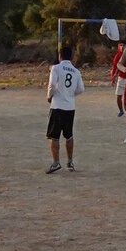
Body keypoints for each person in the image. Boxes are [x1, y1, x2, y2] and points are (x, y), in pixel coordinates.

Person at [45, 45, 84, 173]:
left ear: (60, 56)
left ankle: (56, 162)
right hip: (70, 107)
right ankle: (70, 161)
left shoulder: (56, 68)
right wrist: (70, 94)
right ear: (72, 57)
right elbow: (81, 89)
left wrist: (49, 97)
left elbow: (51, 85)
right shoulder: (76, 71)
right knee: (69, 135)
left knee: (54, 136)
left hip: (57, 106)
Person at [111, 38, 126, 118]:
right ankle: (121, 111)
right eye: (120, 45)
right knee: (118, 95)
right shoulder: (117, 56)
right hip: (121, 78)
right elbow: (115, 67)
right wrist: (113, 77)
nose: (122, 47)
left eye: (124, 45)